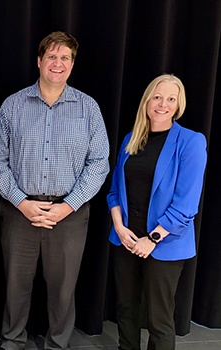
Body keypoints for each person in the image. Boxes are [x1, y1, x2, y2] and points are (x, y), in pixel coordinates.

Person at [0, 31, 110, 350]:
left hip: (69, 216)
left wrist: (68, 205)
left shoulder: (88, 108)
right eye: (52, 56)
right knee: (16, 286)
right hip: (20, 214)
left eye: (65, 58)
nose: (58, 63)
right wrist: (21, 202)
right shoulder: (13, 106)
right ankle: (13, 341)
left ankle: (57, 343)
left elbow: (99, 162)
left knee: (62, 289)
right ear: (40, 61)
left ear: (72, 64)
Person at [106, 74, 207, 350]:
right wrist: (118, 226)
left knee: (158, 318)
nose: (163, 104)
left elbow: (186, 205)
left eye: (171, 99)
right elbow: (114, 191)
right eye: (158, 97)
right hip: (126, 237)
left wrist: (151, 239)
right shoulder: (131, 138)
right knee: (125, 309)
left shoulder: (191, 142)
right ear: (148, 100)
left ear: (178, 105)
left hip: (165, 242)